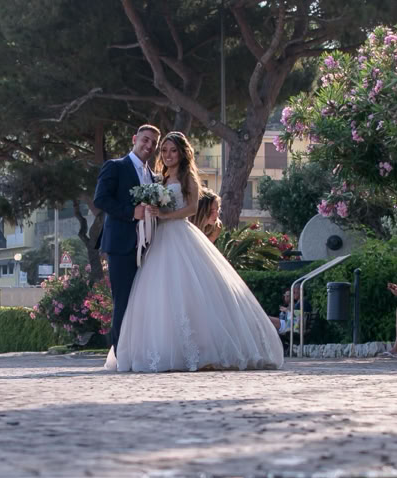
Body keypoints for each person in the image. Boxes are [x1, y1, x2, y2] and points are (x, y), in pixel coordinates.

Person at [104, 131, 286, 372]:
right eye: (165, 151)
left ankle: (205, 349)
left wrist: (165, 215)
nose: (168, 155)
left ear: (182, 153)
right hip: (158, 239)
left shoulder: (188, 176)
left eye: (173, 151)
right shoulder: (158, 178)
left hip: (179, 233)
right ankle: (164, 349)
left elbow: (191, 209)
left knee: (190, 291)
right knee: (160, 295)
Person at [92, 124, 161, 353]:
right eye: (145, 139)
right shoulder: (116, 166)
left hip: (150, 247)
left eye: (153, 143)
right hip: (121, 245)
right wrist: (131, 213)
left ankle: (141, 350)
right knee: (123, 301)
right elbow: (101, 199)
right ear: (135, 139)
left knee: (145, 301)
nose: (149, 145)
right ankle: (121, 354)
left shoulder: (153, 177)